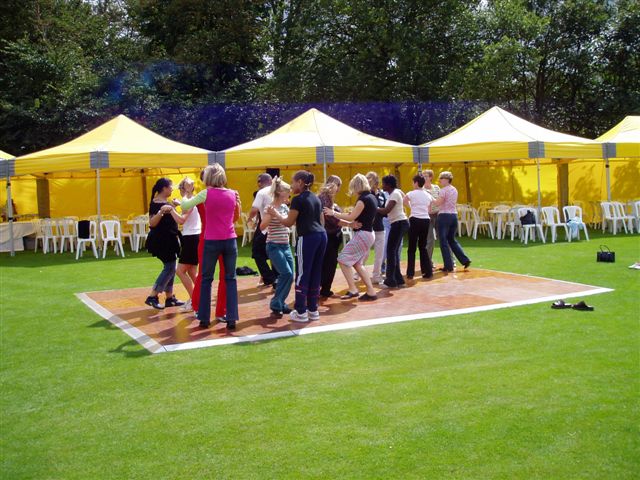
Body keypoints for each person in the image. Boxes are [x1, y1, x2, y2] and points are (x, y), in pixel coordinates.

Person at [179, 164, 241, 330]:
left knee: (206, 279)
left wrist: (185, 194)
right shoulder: (233, 193)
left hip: (211, 240)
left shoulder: (206, 193)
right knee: (230, 279)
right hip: (230, 240)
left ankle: (204, 318)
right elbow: (236, 216)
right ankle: (231, 318)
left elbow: (185, 206)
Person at [266, 170, 326, 323]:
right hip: (321, 236)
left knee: (302, 274)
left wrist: (276, 214)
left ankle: (301, 311)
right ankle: (313, 310)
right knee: (315, 273)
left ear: (300, 182)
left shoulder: (298, 200)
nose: (292, 186)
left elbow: (288, 222)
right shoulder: (316, 198)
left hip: (308, 237)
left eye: (293, 182)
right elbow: (321, 221)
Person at [324, 174, 378, 301]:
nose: (352, 190)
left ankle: (353, 289)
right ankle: (370, 291)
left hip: (363, 234)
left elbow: (351, 217)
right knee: (357, 264)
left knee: (342, 259)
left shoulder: (363, 199)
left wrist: (333, 213)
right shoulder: (371, 197)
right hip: (369, 233)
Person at [190, 170, 232, 322]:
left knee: (221, 275)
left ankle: (220, 311)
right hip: (209, 238)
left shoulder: (228, 194)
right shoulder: (205, 195)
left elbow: (234, 218)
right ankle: (198, 307)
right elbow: (186, 208)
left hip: (220, 238)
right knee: (205, 275)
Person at [144, 178, 186, 310]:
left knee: (171, 267)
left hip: (170, 240)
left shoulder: (166, 202)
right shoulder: (156, 203)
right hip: (161, 241)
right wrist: (161, 211)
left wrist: (173, 206)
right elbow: (152, 223)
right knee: (169, 267)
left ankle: (169, 297)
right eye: (170, 186)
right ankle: (153, 296)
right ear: (164, 188)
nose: (172, 189)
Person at [260, 177, 294, 316]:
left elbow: (289, 222)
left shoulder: (285, 207)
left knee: (290, 275)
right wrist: (270, 215)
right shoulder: (270, 208)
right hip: (274, 245)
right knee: (286, 273)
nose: (289, 194)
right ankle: (276, 303)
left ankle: (280, 302)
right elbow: (262, 227)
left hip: (285, 245)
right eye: (287, 192)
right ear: (281, 193)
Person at [432, 171, 471, 273]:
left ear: (446, 179)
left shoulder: (443, 190)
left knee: (443, 241)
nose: (439, 180)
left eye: (441, 178)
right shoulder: (454, 189)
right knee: (452, 239)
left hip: (444, 216)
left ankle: (448, 265)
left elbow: (438, 203)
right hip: (453, 215)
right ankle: (465, 260)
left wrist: (430, 199)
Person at [377, 175, 409, 289]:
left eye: (384, 183)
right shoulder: (393, 194)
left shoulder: (395, 194)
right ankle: (398, 279)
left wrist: (373, 207)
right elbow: (386, 213)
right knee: (393, 252)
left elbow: (386, 210)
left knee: (391, 251)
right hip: (398, 223)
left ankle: (390, 280)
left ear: (389, 185)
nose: (382, 185)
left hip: (399, 223)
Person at [174, 177, 201, 312]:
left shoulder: (190, 202)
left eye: (180, 188)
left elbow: (181, 220)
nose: (179, 191)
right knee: (191, 271)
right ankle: (200, 297)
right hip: (193, 237)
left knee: (180, 271)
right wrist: (179, 204)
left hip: (191, 238)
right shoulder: (191, 201)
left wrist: (170, 210)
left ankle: (195, 299)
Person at [249, 173, 278, 287]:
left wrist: (249, 218)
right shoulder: (277, 190)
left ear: (261, 182)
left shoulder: (261, 192)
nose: (258, 184)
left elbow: (254, 209)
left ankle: (270, 278)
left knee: (257, 253)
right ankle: (276, 279)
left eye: (258, 181)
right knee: (274, 252)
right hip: (279, 226)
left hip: (266, 226)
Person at [404, 174, 433, 279]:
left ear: (416, 183)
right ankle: (427, 271)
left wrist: (411, 207)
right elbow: (429, 209)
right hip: (426, 220)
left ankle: (410, 273)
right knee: (423, 246)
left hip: (415, 219)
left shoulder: (411, 193)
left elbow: (404, 201)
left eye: (413, 182)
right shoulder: (428, 194)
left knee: (412, 247)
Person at [318, 175, 343, 298]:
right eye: (338, 185)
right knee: (329, 262)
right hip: (329, 234)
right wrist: (347, 222)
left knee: (326, 262)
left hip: (329, 234)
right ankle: (324, 288)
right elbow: (331, 218)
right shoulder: (325, 198)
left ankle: (323, 287)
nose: (339, 189)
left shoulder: (325, 197)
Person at [366, 171, 386, 284]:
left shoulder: (381, 194)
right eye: (367, 180)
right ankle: (358, 273)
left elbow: (384, 210)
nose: (369, 182)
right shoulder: (366, 195)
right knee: (365, 253)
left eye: (370, 180)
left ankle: (376, 275)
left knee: (379, 254)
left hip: (379, 227)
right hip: (368, 228)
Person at [422, 169, 440, 263]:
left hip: (437, 214)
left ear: (431, 177)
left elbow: (441, 199)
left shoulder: (436, 187)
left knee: (442, 237)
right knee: (430, 240)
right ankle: (428, 261)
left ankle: (450, 261)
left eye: (426, 176)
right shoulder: (421, 189)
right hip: (427, 216)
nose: (424, 178)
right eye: (423, 176)